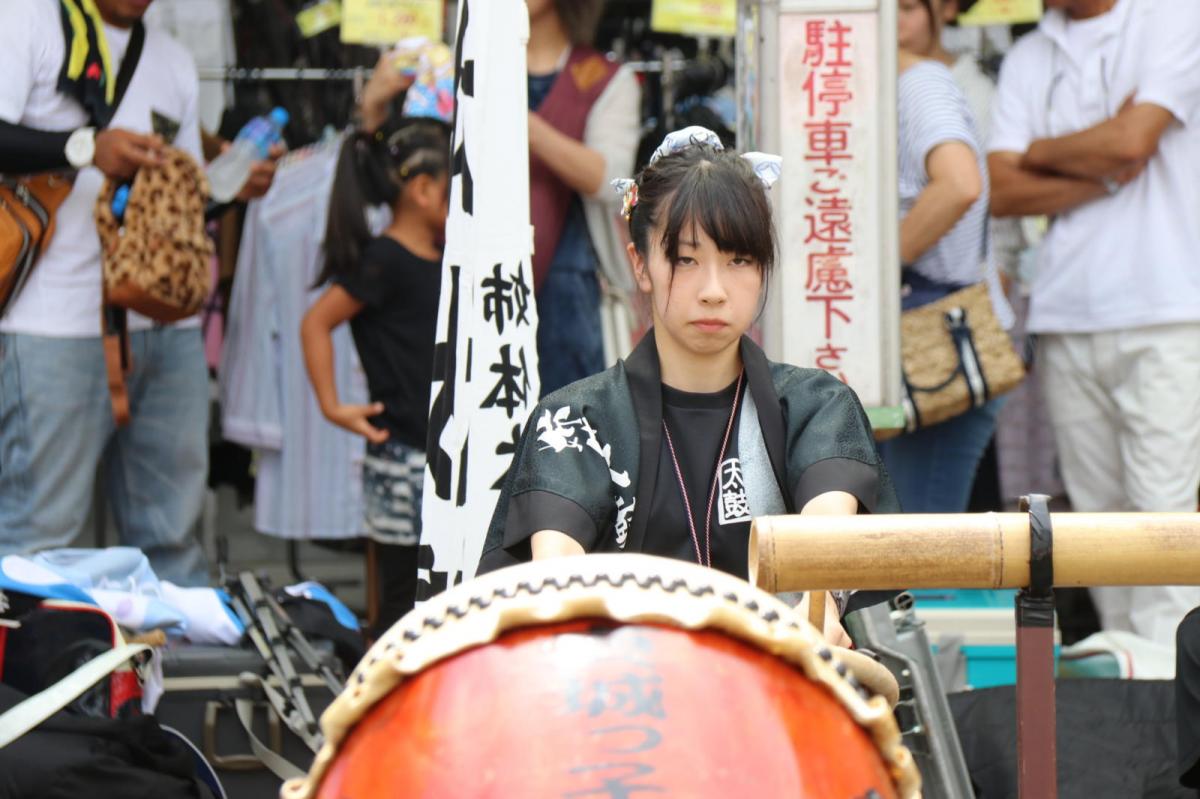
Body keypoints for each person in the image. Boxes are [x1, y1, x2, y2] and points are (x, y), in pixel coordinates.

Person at [477, 129, 900, 644]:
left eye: (739, 260)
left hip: (783, 694)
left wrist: (819, 609)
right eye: (685, 259)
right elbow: (556, 576)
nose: (715, 291)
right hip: (623, 701)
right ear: (641, 264)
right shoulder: (574, 419)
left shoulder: (816, 406)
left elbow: (821, 546)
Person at [0, 0, 277, 585]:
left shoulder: (171, 59)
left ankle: (165, 672)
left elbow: (181, 197)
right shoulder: (25, 18)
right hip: (54, 322)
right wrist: (82, 147)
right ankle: (32, 673)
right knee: (37, 538)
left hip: (163, 325)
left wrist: (232, 185)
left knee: (172, 539)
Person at [988, 0, 1200, 647]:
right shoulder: (1028, 54)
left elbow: (1133, 140)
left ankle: (1174, 711)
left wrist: (1043, 153)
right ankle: (1137, 702)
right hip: (1064, 311)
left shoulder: (1176, 16)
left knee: (1163, 521)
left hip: (1165, 309)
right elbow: (999, 185)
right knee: (1100, 532)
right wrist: (1106, 170)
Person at [301, 119, 450, 630]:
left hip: (440, 452)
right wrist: (332, 406)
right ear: (424, 189)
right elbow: (316, 323)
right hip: (401, 456)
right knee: (398, 600)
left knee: (441, 595)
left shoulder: (446, 255)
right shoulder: (384, 260)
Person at [874, 41, 1013, 514]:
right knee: (908, 544)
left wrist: (876, 277)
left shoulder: (919, 83)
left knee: (919, 549)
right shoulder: (892, 82)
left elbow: (959, 183)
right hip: (924, 341)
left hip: (935, 339)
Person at [525, 0, 640, 395]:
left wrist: (524, 125)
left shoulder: (605, 79)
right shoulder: (467, 74)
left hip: (568, 283)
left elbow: (610, 179)